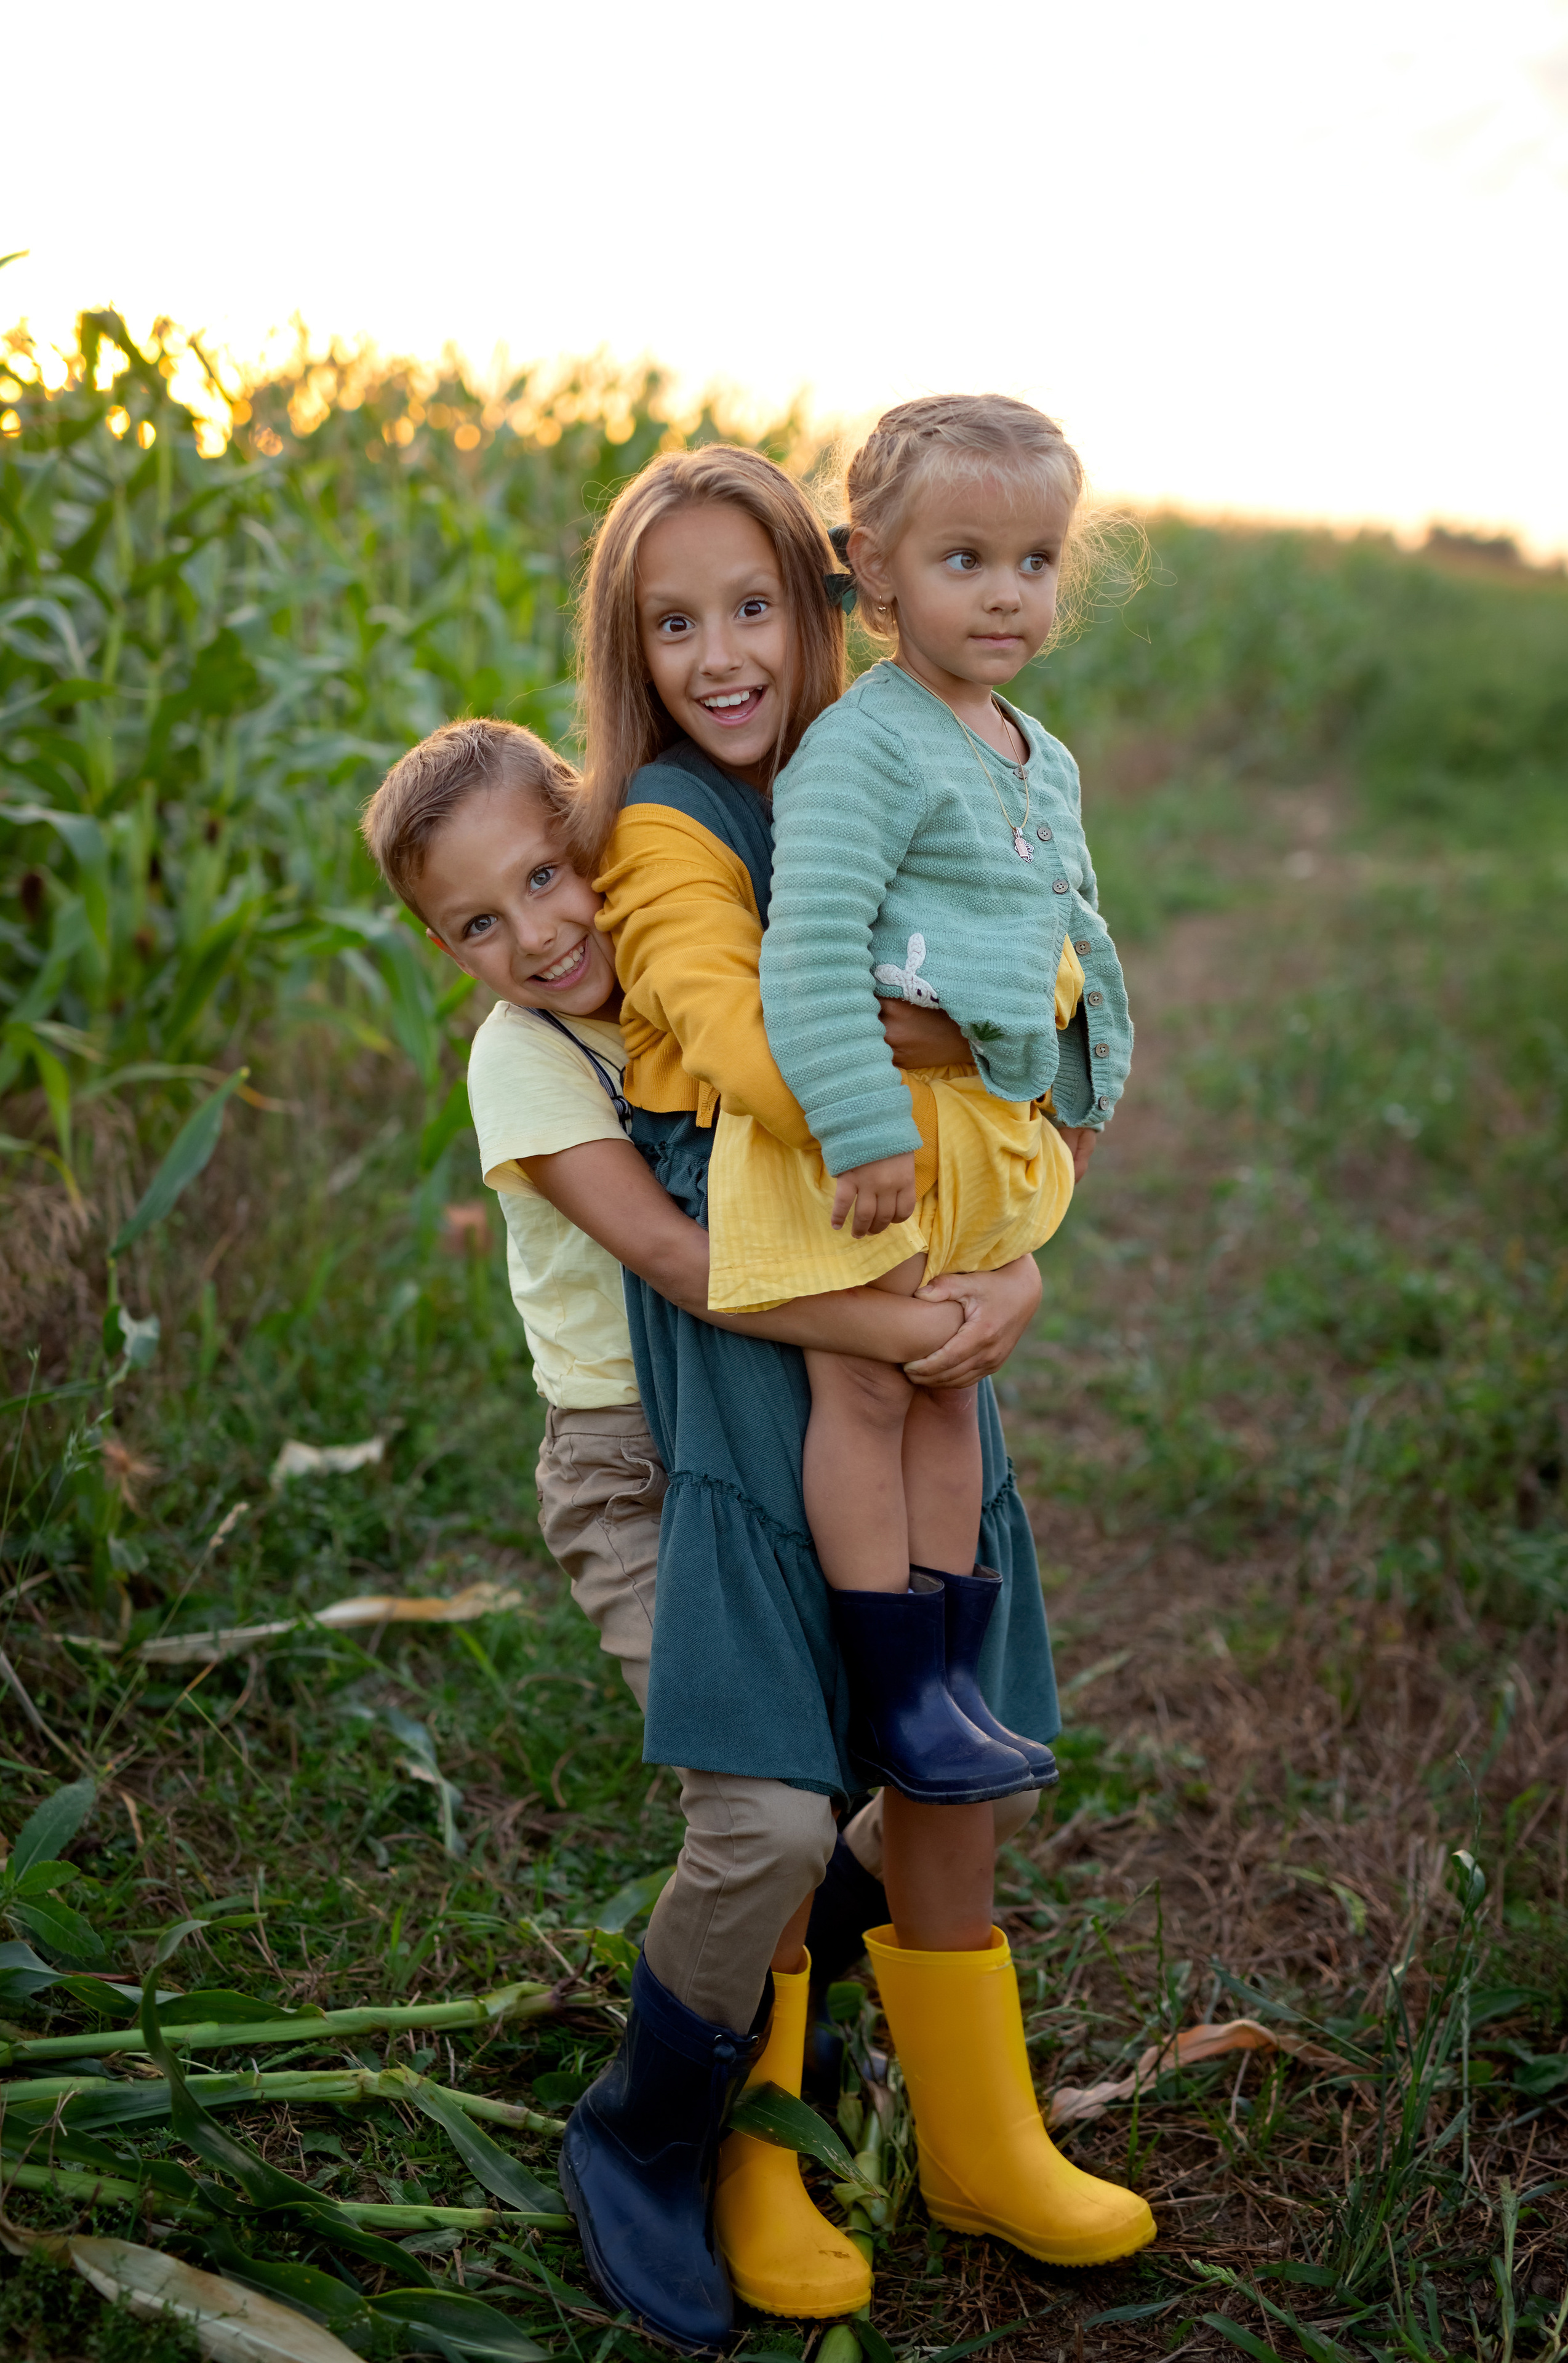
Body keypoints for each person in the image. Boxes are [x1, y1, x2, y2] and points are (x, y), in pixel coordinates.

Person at [358, 714, 1047, 2345]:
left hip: (793, 1426)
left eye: (545, 873)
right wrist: (912, 1337)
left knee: (914, 1764)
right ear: (443, 952)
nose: (536, 933)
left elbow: (923, 1135)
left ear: (593, 836)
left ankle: (835, 2032)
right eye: (479, 922)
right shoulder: (525, 1061)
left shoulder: (702, 970)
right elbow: (681, 1261)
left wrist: (1004, 1274)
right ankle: (650, 2128)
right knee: (768, 1824)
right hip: (639, 1474)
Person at [565, 442, 1153, 2346]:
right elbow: (727, 1019)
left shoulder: (899, 759)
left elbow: (1051, 986)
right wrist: (913, 1032)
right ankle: (742, 2138)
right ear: (634, 652)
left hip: (913, 1271)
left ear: (829, 606)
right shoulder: (664, 826)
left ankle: (982, 2131)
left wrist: (1024, 1222)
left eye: (756, 606)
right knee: (801, 1758)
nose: (724, 653)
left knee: (937, 1742)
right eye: (677, 622)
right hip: (770, 1337)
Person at [701, 396, 1132, 1815]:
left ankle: (945, 1682)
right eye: (963, 560)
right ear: (875, 571)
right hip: (870, 1137)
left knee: (952, 1389)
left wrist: (1075, 1085)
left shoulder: (1033, 749)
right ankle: (894, 1688)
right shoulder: (865, 743)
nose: (1007, 593)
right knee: (871, 1384)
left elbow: (1064, 930)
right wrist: (866, 1127)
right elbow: (810, 946)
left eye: (1034, 560)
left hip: (967, 1142)